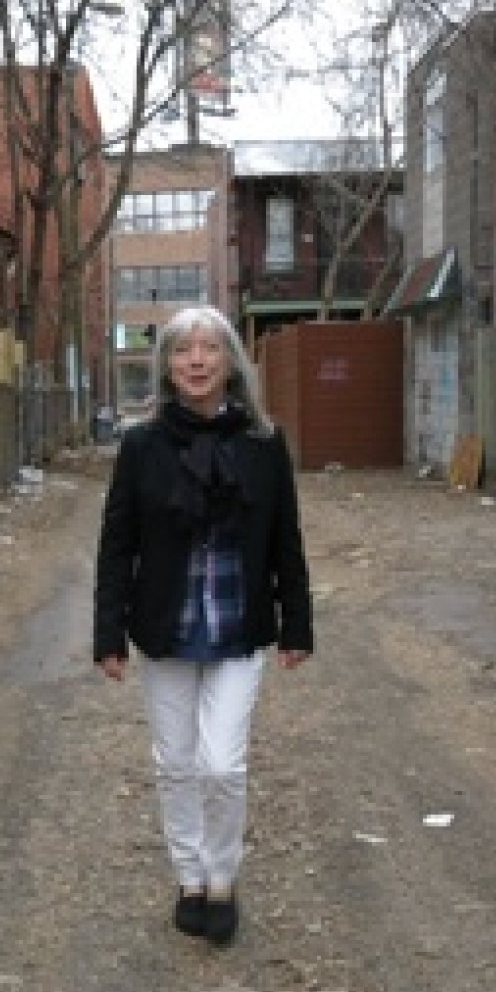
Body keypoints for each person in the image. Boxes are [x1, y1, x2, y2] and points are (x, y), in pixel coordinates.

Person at [94, 305, 312, 947]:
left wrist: (297, 624)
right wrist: (107, 633)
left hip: (238, 630)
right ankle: (190, 880)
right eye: (183, 350)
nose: (196, 361)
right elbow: (117, 542)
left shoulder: (263, 444)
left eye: (209, 349)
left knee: (222, 765)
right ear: (166, 365)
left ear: (229, 362)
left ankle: (223, 878)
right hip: (166, 627)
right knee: (176, 764)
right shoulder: (141, 444)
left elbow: (286, 540)